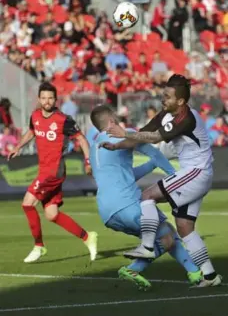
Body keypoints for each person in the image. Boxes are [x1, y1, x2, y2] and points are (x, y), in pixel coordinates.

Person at [101, 74, 222, 286]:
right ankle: (210, 275)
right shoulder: (165, 114)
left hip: (197, 172)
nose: (162, 99)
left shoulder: (187, 118)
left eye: (167, 96)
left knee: (147, 195)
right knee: (184, 226)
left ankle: (147, 246)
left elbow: (155, 138)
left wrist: (122, 133)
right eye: (163, 94)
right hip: (195, 173)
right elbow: (142, 134)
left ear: (181, 101)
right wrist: (117, 144)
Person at [89, 105, 204, 290]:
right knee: (166, 236)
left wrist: (151, 165)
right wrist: (176, 176)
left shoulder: (95, 148)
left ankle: (195, 273)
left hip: (108, 213)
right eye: (115, 117)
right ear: (111, 121)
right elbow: (156, 154)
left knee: (166, 232)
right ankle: (134, 269)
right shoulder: (124, 134)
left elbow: (126, 175)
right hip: (128, 204)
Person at [8, 82, 97, 263]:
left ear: (55, 100)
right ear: (39, 99)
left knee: (27, 203)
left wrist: (88, 161)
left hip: (54, 171)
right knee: (52, 214)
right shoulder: (35, 116)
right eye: (44, 98)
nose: (47, 101)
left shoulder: (63, 120)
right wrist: (18, 146)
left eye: (50, 98)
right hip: (44, 169)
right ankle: (88, 237)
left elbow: (81, 138)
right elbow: (32, 132)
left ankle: (39, 246)